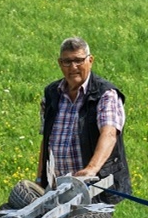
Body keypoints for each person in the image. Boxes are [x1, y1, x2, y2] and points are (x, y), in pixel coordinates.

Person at [38, 37, 131, 202]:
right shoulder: (52, 93)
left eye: (79, 61)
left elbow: (109, 134)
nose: (73, 67)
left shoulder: (105, 94)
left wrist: (91, 169)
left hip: (93, 187)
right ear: (60, 63)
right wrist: (39, 179)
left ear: (90, 60)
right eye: (67, 62)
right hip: (56, 188)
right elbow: (46, 140)